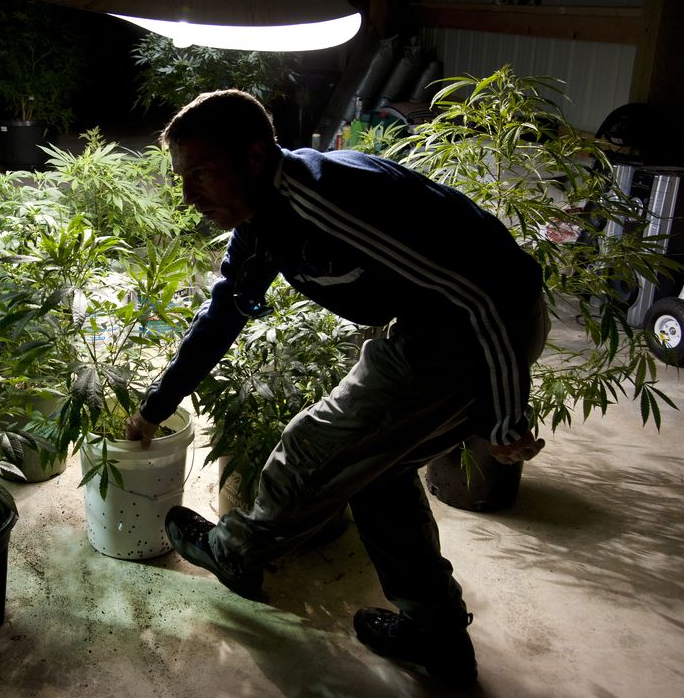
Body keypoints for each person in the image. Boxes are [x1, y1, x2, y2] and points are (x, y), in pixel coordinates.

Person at [125, 89, 549, 688]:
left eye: (201, 173)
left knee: (313, 447)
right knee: (376, 472)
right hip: (446, 320)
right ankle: (438, 638)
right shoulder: (259, 221)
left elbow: (480, 293)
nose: (189, 195)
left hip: (479, 322)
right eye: (182, 177)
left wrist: (506, 411)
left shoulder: (325, 197)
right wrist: (155, 406)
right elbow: (223, 313)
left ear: (252, 157)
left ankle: (236, 551)